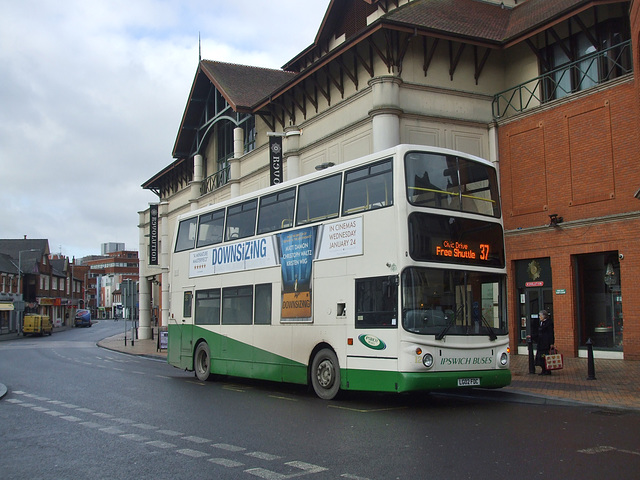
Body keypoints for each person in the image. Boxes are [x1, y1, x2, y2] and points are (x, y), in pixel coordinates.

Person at [534, 310, 555, 375]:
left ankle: (547, 370)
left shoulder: (548, 323)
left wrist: (551, 343)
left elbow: (551, 333)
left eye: (540, 316)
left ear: (544, 316)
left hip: (545, 343)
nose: (539, 317)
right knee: (541, 357)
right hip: (541, 343)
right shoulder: (541, 323)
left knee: (544, 357)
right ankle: (543, 370)